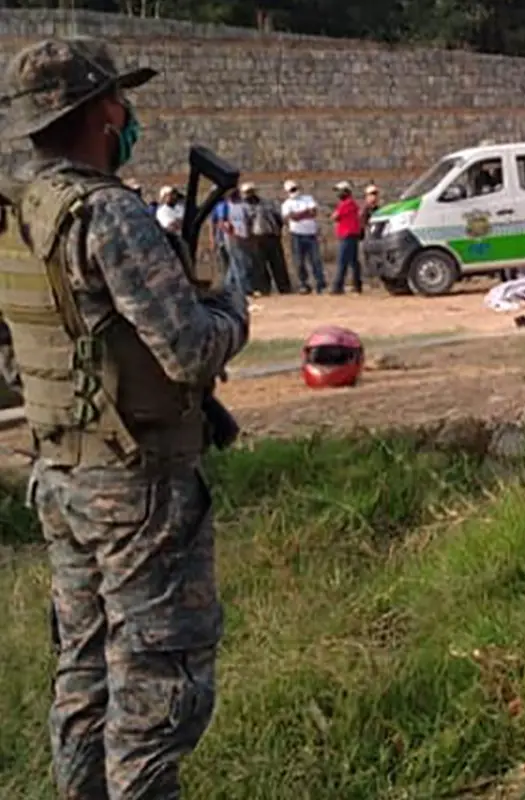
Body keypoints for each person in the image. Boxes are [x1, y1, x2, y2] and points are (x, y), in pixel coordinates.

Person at [0, 36, 248, 797]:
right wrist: (229, 304)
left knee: (84, 673)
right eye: (119, 99)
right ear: (102, 111)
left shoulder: (18, 214)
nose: (126, 111)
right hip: (135, 487)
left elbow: (23, 360)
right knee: (152, 693)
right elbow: (191, 355)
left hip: (61, 478)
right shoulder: (108, 215)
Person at [244, 182, 292, 295]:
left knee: (278, 263)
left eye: (250, 192)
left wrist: (278, 233)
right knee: (259, 265)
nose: (249, 195)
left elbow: (278, 218)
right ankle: (263, 289)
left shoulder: (267, 203)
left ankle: (284, 288)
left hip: (271, 236)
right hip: (255, 238)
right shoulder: (245, 207)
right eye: (247, 193)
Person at [281, 179, 326, 294]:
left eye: (295, 188)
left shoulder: (308, 198)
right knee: (299, 262)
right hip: (297, 234)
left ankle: (320, 283)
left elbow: (313, 212)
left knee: (315, 260)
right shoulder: (286, 204)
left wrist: (298, 215)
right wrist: (305, 213)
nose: (294, 191)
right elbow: (290, 217)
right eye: (292, 189)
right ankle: (303, 284)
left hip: (311, 233)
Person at [330, 180, 363, 294]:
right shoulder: (351, 203)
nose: (338, 194)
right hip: (351, 235)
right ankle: (357, 285)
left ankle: (337, 286)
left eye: (340, 191)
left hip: (347, 235)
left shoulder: (347, 203)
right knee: (353, 261)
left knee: (342, 261)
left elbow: (334, 216)